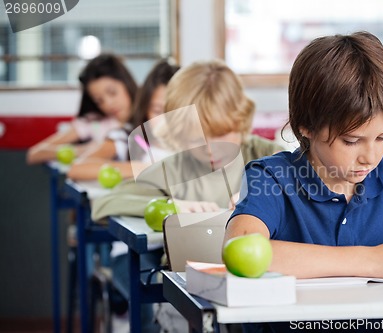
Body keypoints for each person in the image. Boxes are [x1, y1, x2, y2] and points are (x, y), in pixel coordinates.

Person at [224, 31, 383, 333]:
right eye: (351, 141)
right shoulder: (270, 178)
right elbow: (241, 250)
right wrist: (373, 261)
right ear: (307, 126)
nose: (370, 156)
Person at [90, 59, 284, 333]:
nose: (209, 149)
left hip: (265, 287)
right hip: (190, 290)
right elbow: (103, 203)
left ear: (241, 122)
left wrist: (263, 202)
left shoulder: (270, 158)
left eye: (220, 135)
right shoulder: (175, 168)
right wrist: (172, 206)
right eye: (195, 139)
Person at [66, 59, 179, 180]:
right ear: (145, 109)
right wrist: (143, 168)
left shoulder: (194, 144)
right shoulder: (129, 137)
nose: (167, 120)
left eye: (177, 111)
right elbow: (77, 168)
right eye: (158, 111)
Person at [26, 53, 137, 165]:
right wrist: (86, 150)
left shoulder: (147, 117)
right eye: (99, 101)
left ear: (126, 83)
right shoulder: (94, 123)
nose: (108, 104)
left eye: (112, 93)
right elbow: (34, 154)